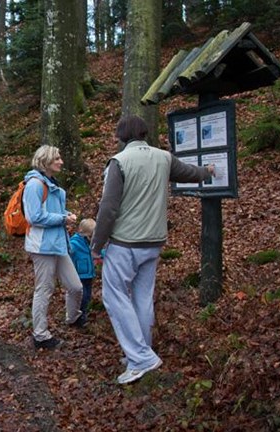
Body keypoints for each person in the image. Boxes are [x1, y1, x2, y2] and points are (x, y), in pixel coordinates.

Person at [91, 115, 215, 384]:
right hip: (154, 242)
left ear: (121, 136)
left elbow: (109, 208)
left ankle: (141, 358)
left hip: (125, 243)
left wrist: (96, 245)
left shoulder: (119, 162)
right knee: (142, 298)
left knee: (114, 298)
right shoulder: (164, 157)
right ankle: (140, 351)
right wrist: (208, 171)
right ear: (144, 133)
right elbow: (190, 173)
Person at [23, 145, 84, 350]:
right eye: (57, 158)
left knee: (75, 286)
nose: (61, 161)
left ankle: (72, 318)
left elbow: (53, 210)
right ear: (46, 161)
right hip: (42, 246)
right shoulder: (34, 185)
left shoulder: (50, 183)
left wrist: (66, 215)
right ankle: (40, 335)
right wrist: (62, 218)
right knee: (44, 289)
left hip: (58, 243)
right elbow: (34, 216)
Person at [69, 218, 102, 324]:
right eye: (90, 235)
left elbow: (98, 252)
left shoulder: (91, 244)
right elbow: (68, 253)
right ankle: (78, 315)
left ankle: (83, 313)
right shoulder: (74, 243)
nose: (91, 238)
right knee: (82, 296)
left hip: (89, 275)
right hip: (79, 275)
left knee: (87, 296)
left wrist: (106, 254)